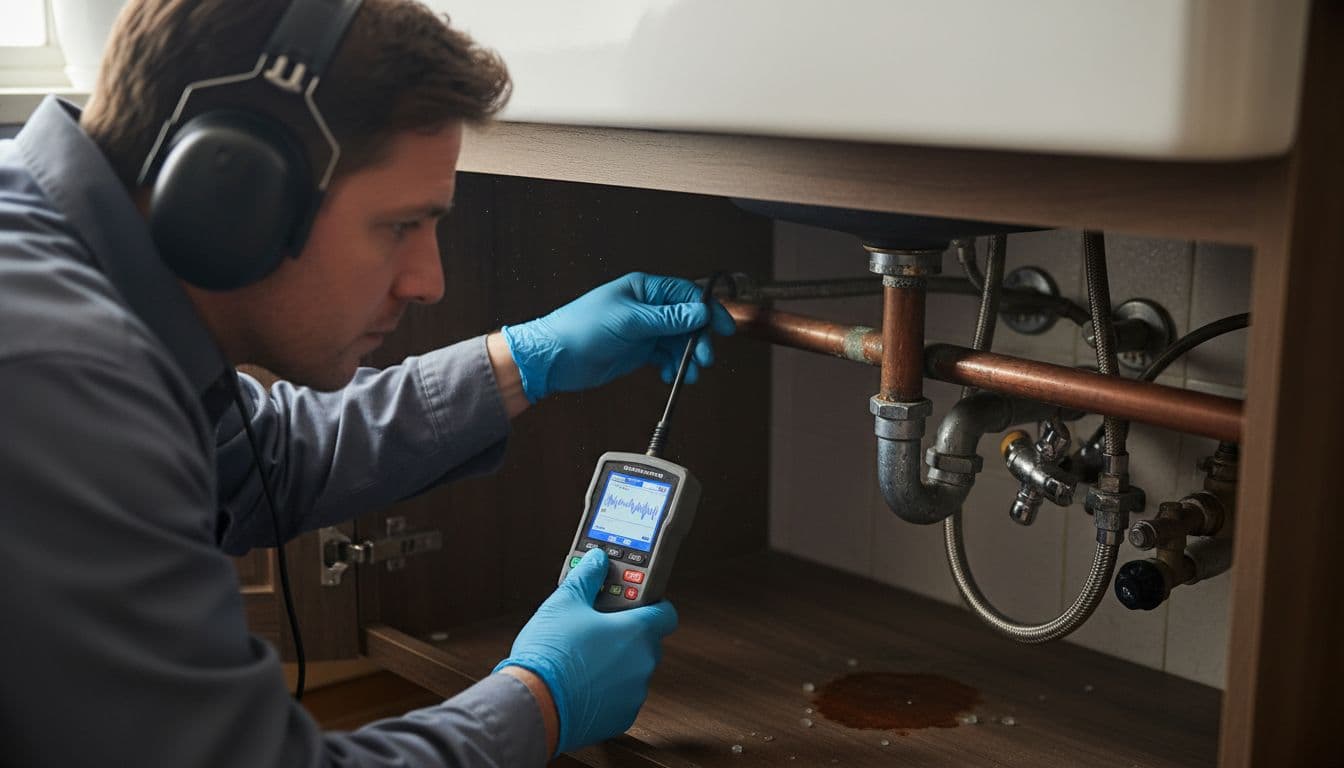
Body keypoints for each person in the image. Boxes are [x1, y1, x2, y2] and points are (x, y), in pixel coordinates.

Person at [0, 0, 734, 766]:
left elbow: (261, 458)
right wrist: (540, 701)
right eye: (399, 226)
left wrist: (528, 355)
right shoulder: (53, 377)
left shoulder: (58, 270)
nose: (429, 282)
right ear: (240, 192)